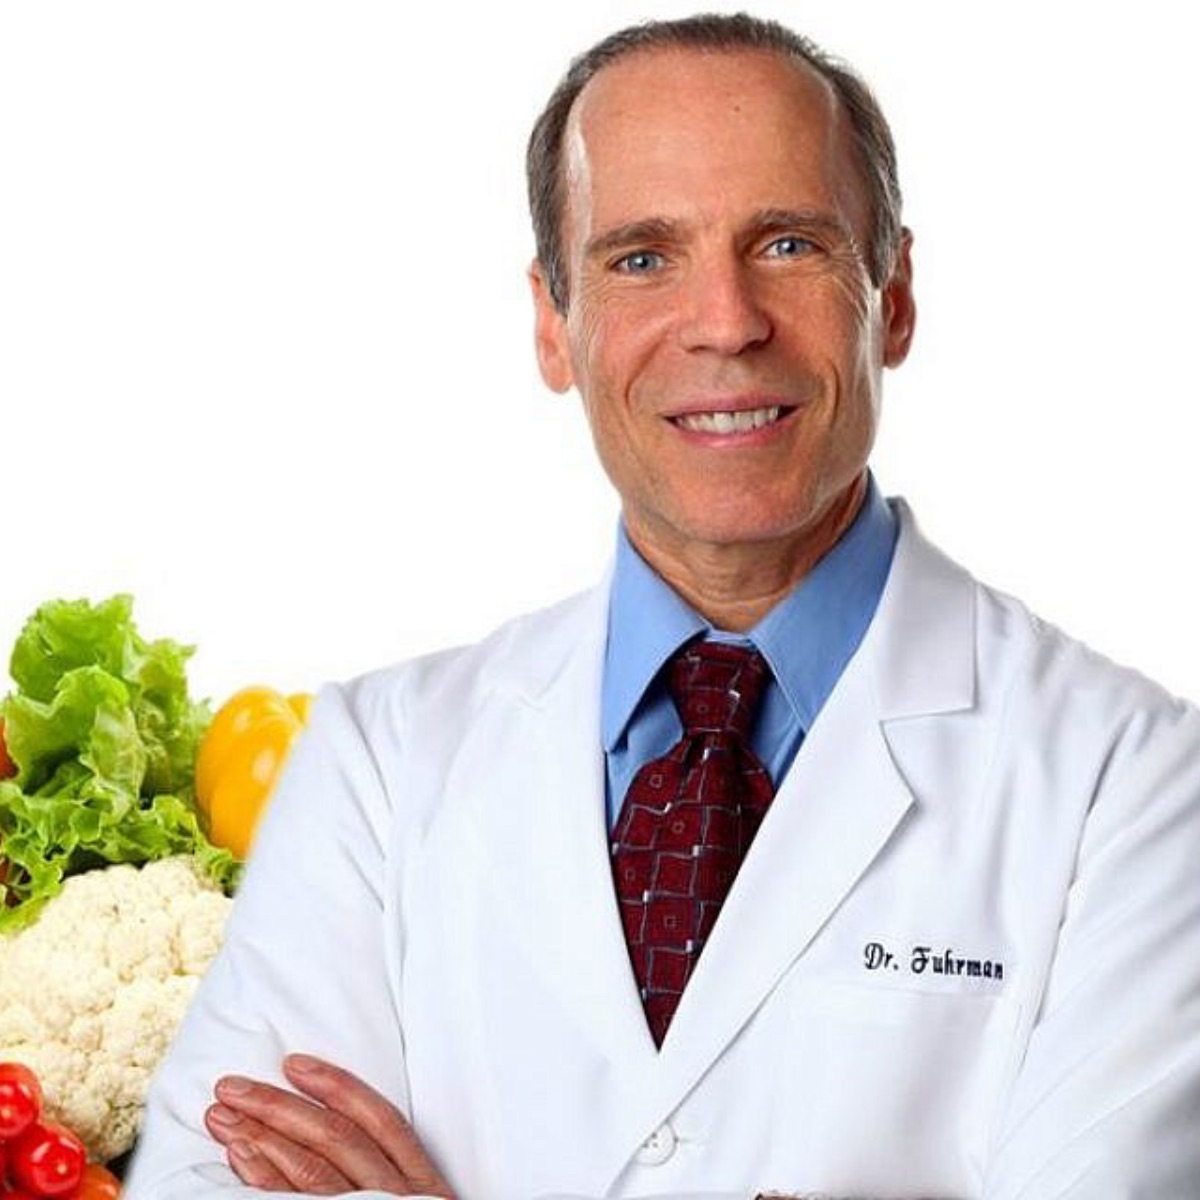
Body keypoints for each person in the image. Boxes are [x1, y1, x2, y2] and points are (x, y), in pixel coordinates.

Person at [125, 13, 1200, 1200]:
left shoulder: (1136, 782)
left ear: (892, 296)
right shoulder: (377, 761)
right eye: (642, 259)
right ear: (554, 324)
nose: (726, 321)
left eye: (787, 244)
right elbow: (204, 1179)